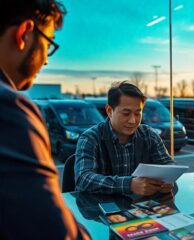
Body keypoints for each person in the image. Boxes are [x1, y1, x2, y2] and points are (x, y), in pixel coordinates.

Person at [0, 0, 90, 239]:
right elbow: (56, 232)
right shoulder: (9, 107)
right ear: (25, 33)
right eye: (48, 44)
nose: (47, 60)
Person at [74, 82, 175, 196]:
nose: (132, 120)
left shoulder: (149, 135)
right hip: (97, 207)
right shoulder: (90, 138)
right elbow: (83, 178)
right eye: (126, 113)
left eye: (138, 113)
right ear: (109, 111)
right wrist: (130, 185)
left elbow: (167, 163)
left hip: (138, 205)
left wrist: (168, 180)